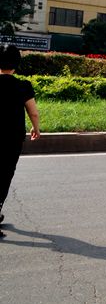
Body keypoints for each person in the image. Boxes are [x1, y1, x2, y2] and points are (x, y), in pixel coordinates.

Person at [0, 44, 41, 237]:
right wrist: (36, 128)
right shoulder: (23, 85)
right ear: (17, 63)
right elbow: (33, 112)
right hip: (11, 139)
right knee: (4, 175)